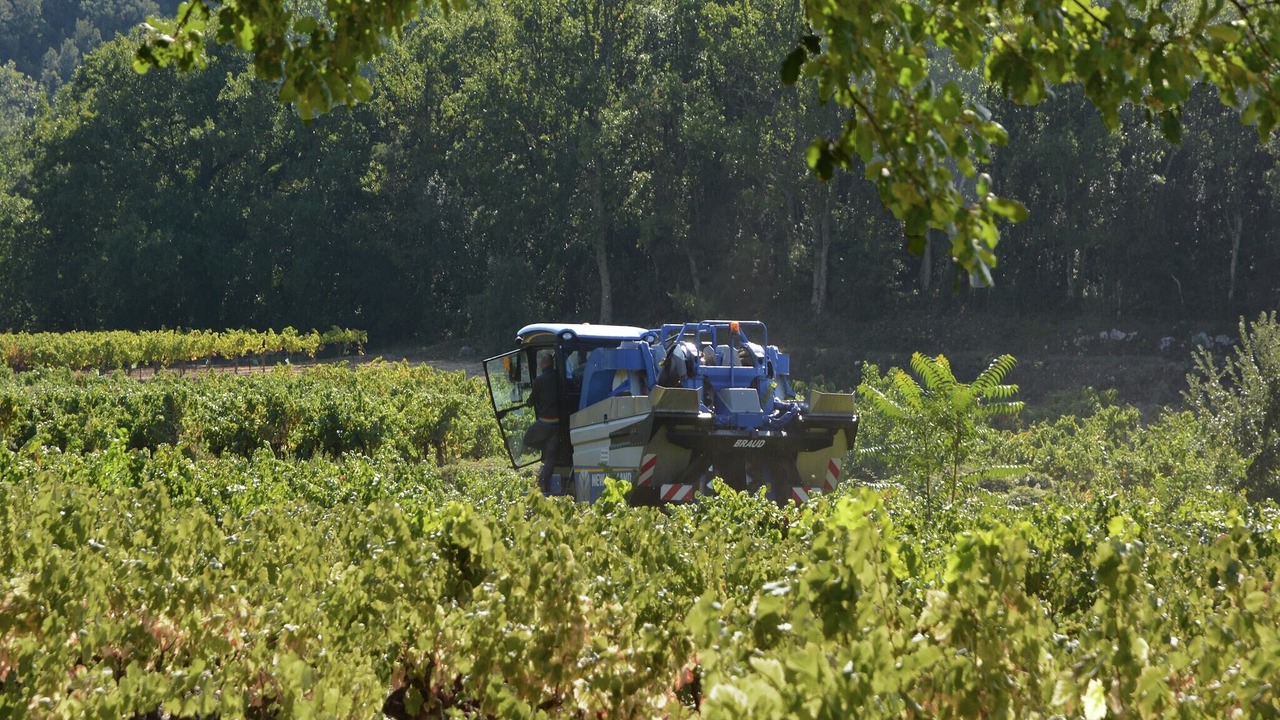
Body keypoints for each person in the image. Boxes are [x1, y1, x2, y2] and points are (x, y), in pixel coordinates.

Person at [523, 350, 564, 494]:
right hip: (558, 424)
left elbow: (531, 401)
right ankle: (544, 486)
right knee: (550, 458)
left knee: (527, 439)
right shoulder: (560, 377)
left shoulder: (540, 380)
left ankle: (544, 449)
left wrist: (528, 401)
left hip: (546, 422)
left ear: (543, 364)